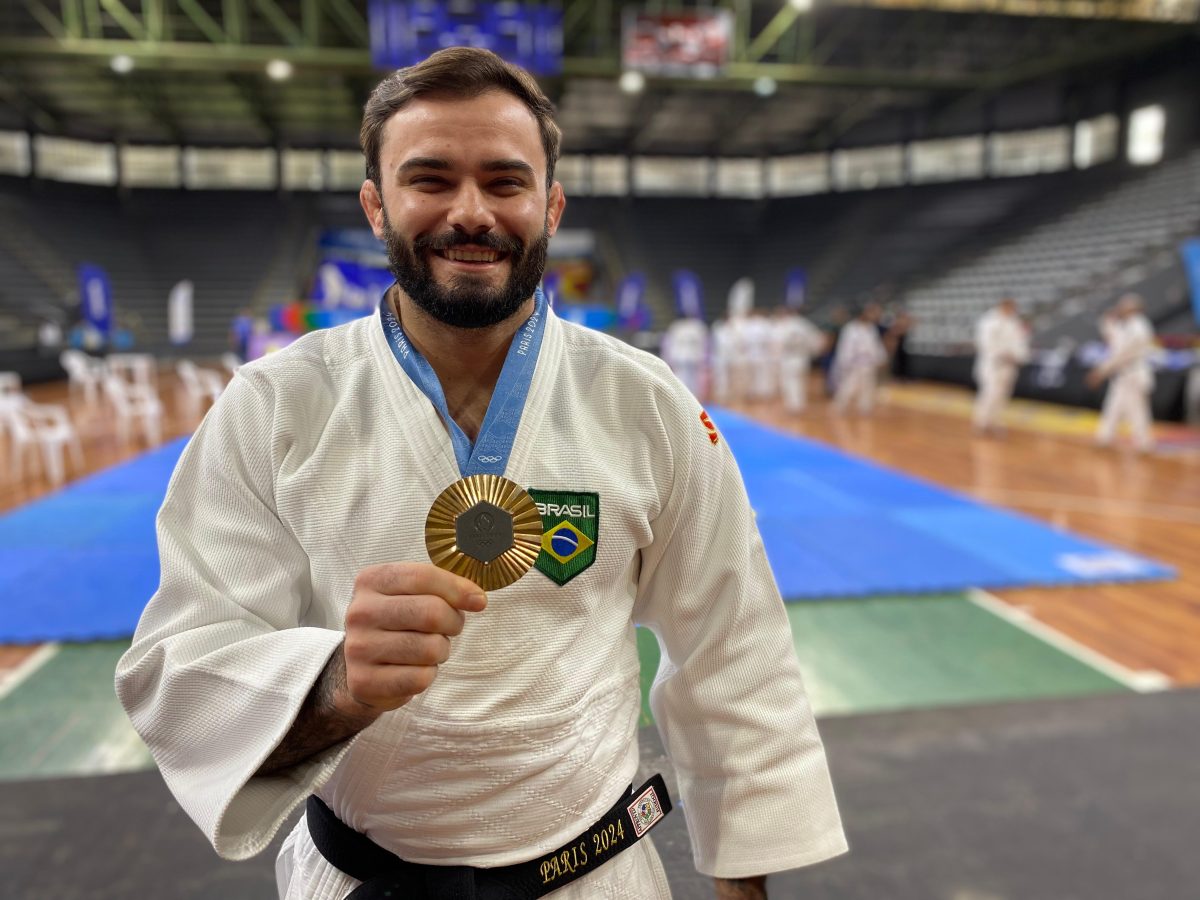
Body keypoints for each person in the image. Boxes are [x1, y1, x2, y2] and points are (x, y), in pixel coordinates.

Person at [115, 47, 846, 900]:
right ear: (376, 207)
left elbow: (734, 646)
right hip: (360, 880)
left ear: (551, 205)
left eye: (505, 182)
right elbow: (178, 673)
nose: (472, 213)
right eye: (429, 179)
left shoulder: (645, 402)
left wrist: (742, 886)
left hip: (595, 877)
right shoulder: (276, 404)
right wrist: (338, 685)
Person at [1087, 293, 1156, 452]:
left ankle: (1144, 443)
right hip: (1123, 373)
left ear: (1133, 308)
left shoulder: (1138, 326)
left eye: (1124, 306)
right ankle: (1104, 437)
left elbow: (1121, 353)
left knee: (1137, 409)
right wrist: (1107, 321)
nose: (1120, 309)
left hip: (1134, 372)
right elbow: (1112, 340)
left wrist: (1100, 371)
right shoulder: (1127, 325)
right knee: (1114, 405)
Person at [972, 297, 1029, 436]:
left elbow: (1020, 343)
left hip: (1009, 365)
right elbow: (984, 343)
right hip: (992, 364)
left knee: (1003, 395)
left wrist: (1019, 356)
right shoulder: (989, 321)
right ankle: (982, 423)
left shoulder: (1014, 323)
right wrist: (1002, 354)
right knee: (990, 393)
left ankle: (995, 422)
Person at [832, 303, 887, 415]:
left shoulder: (871, 328)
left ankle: (865, 408)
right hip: (854, 363)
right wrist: (845, 362)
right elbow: (845, 346)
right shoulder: (851, 328)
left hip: (869, 363)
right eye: (870, 313)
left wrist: (880, 358)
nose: (873, 316)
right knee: (848, 386)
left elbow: (875, 345)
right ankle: (840, 406)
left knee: (868, 387)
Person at [772, 307, 826, 414]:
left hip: (788, 357)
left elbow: (779, 343)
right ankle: (800, 405)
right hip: (802, 358)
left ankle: (793, 406)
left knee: (789, 382)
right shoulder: (805, 324)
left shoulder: (786, 325)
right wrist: (813, 353)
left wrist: (777, 356)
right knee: (800, 382)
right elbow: (818, 340)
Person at [660, 312, 709, 399]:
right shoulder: (695, 327)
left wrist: (668, 359)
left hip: (682, 357)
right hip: (688, 357)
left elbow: (668, 345)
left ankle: (686, 398)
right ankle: (687, 398)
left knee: (685, 379)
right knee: (688, 379)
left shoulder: (678, 327)